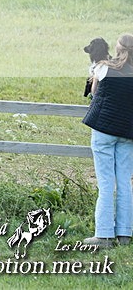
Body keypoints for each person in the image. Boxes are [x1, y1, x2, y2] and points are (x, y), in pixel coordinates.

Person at [82, 33, 133, 248]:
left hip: (104, 130)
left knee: (105, 182)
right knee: (124, 183)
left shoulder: (104, 67)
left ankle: (103, 235)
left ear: (118, 47)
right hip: (128, 132)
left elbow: (94, 92)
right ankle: (124, 234)